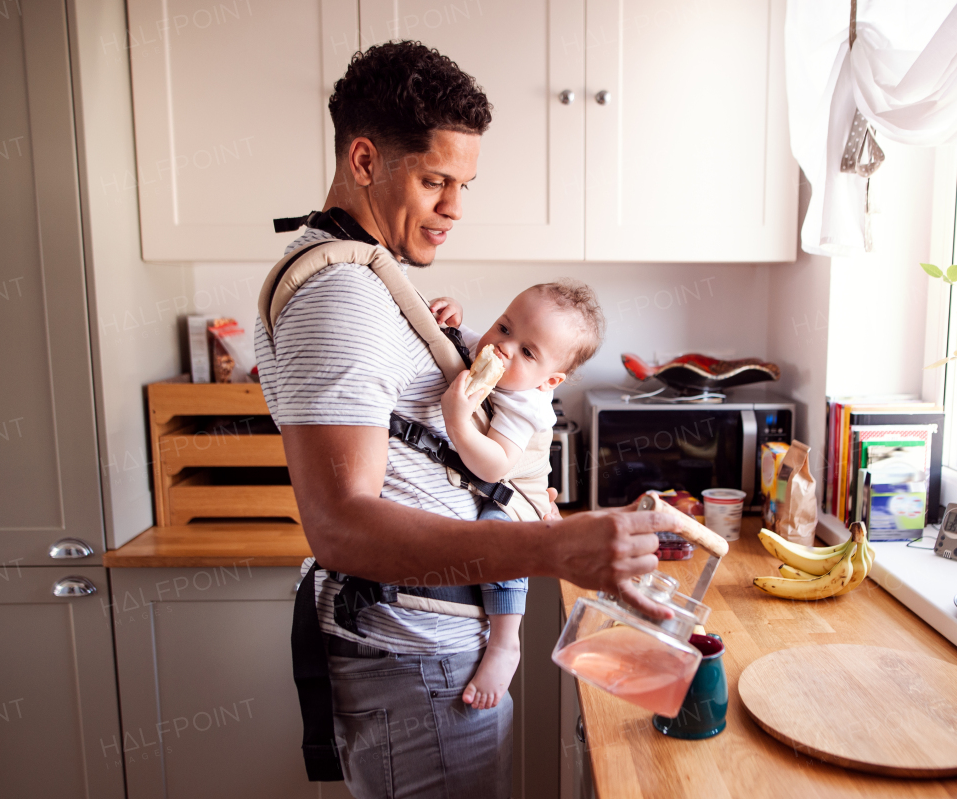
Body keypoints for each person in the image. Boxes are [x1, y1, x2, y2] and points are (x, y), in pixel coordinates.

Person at [255, 41, 680, 799]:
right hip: (417, 665)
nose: (455, 208)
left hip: (433, 655)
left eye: (465, 184)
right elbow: (342, 525)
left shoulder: (366, 279)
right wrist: (552, 544)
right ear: (363, 161)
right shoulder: (339, 297)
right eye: (435, 181)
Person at [429, 281, 605, 710]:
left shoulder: (525, 400)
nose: (504, 348)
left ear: (551, 380)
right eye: (504, 326)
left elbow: (493, 465)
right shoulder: (498, 353)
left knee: (499, 539)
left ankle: (506, 642)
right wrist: (453, 315)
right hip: (501, 487)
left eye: (528, 352)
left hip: (519, 498)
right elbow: (464, 340)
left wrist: (458, 421)